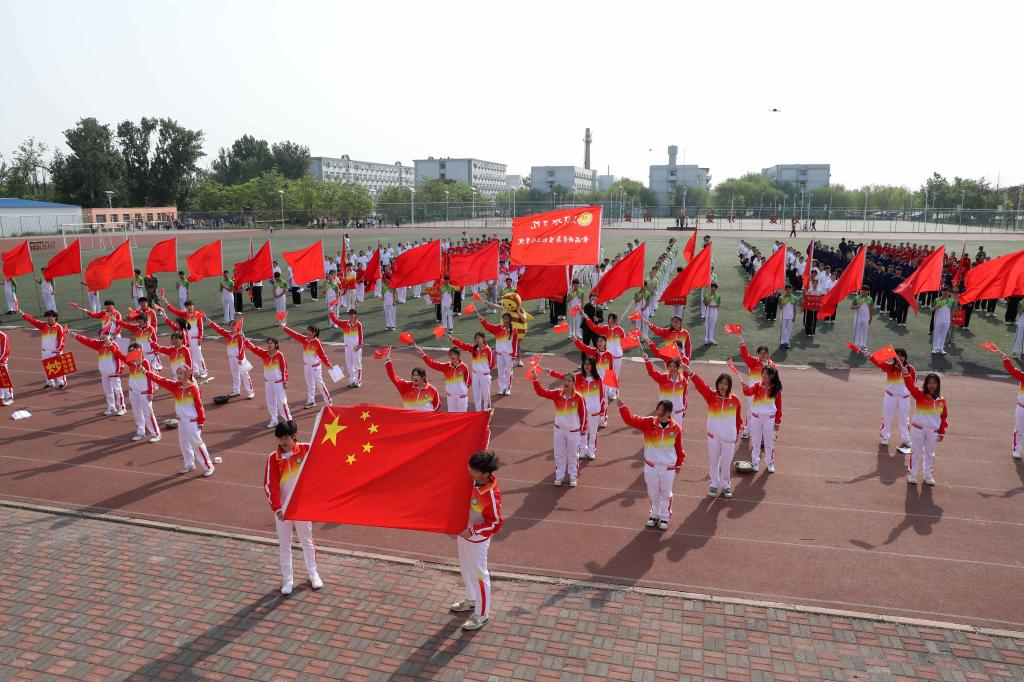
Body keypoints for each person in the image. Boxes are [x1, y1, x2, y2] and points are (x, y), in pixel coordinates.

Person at [264, 420, 323, 595]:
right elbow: (270, 485)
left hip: (301, 507)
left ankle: (313, 573)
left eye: (287, 438)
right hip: (283, 511)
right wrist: (277, 509)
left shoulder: (306, 450)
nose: (283, 442)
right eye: (281, 438)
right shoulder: (273, 458)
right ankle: (288, 580)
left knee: (307, 542)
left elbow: (325, 452)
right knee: (285, 545)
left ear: (294, 436)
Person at [449, 450, 502, 631]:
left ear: (485, 473)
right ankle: (471, 599)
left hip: (477, 540)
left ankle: (482, 614)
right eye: (470, 467)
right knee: (465, 569)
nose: (469, 470)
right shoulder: (472, 481)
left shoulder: (490, 494)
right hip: (464, 535)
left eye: (473, 469)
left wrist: (473, 530)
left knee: (479, 575)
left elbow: (495, 523)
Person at [617, 397, 684, 530]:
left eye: (662, 410)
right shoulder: (648, 423)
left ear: (669, 412)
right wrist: (622, 406)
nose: (659, 412)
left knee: (666, 493)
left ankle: (665, 517)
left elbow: (679, 448)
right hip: (651, 466)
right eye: (658, 409)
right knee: (653, 492)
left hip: (668, 467)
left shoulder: (676, 428)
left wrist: (679, 463)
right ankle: (654, 513)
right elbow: (630, 420)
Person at [144, 365, 219, 476]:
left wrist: (201, 421)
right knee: (184, 444)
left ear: (187, 374)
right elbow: (160, 380)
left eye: (181, 373)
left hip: (192, 422)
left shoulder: (193, 388)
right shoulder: (176, 386)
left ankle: (208, 466)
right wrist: (146, 372)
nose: (178, 375)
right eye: (177, 373)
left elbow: (199, 406)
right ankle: (189, 464)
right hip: (181, 421)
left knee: (197, 445)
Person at [537, 357, 605, 460]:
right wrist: (549, 371)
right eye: (585, 364)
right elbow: (562, 376)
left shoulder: (598, 379)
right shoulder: (578, 377)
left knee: (593, 433)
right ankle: (582, 450)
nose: (586, 366)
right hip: (581, 410)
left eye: (589, 364)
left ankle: (591, 451)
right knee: (583, 432)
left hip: (594, 411)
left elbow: (602, 396)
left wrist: (602, 411)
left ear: (593, 366)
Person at [689, 371, 742, 498]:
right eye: (721, 383)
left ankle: (726, 485)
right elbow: (701, 386)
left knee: (726, 463)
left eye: (726, 383)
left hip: (729, 438)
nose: (723, 386)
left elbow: (738, 419)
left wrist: (736, 434)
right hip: (714, 436)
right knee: (714, 462)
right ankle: (714, 484)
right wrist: (691, 373)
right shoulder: (711, 396)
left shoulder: (735, 400)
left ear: (729, 385)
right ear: (717, 384)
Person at [531, 371, 587, 486]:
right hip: (559, 430)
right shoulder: (557, 394)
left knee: (572, 455)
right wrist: (535, 380)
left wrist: (583, 429)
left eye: (569, 381)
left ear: (573, 383)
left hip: (573, 431)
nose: (566, 382)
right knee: (559, 454)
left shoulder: (578, 397)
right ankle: (559, 476)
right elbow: (541, 392)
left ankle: (573, 476)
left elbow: (583, 414)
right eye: (565, 380)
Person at [900, 363, 948, 485]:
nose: (932, 385)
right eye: (929, 383)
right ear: (926, 384)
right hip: (918, 429)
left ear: (938, 385)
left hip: (932, 432)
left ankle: (928, 475)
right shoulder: (920, 395)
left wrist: (941, 432)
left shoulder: (941, 401)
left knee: (930, 454)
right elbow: (910, 386)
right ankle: (912, 474)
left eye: (934, 383)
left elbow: (943, 417)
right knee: (916, 452)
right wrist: (906, 374)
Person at [859, 346, 914, 448]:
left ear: (905, 357)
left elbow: (912, 384)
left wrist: (907, 374)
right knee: (887, 417)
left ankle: (906, 439)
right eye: (898, 356)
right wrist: (870, 356)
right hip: (890, 397)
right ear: (894, 357)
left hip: (904, 398)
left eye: (902, 356)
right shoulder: (890, 367)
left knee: (904, 419)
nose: (900, 358)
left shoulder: (910, 369)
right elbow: (879, 363)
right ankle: (885, 437)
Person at [112, 342, 161, 442]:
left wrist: (150, 392)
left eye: (133, 351)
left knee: (148, 414)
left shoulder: (145, 363)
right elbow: (118, 354)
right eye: (129, 351)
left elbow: (150, 378)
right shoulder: (130, 361)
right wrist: (110, 344)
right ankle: (140, 432)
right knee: (137, 413)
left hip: (144, 393)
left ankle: (156, 434)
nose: (131, 353)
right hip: (133, 392)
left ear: (139, 351)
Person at [280, 323, 335, 409]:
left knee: (320, 384)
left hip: (315, 367)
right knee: (310, 384)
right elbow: (295, 334)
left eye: (310, 331)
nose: (308, 332)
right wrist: (284, 328)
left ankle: (328, 401)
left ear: (315, 333)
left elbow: (322, 355)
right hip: (307, 366)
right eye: (308, 330)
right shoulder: (304, 339)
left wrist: (329, 365)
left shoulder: (317, 342)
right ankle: (311, 401)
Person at [71, 331, 126, 416]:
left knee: (117, 390)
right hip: (104, 373)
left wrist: (118, 371)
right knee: (108, 391)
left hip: (113, 373)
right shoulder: (99, 344)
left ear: (110, 336)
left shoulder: (114, 345)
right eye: (101, 335)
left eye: (105, 335)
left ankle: (122, 408)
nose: (103, 337)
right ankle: (111, 407)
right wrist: (76, 336)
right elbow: (87, 341)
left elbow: (119, 358)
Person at [243, 336, 292, 429]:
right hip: (268, 383)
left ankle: (289, 421)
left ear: (276, 345)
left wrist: (285, 381)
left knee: (282, 402)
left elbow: (284, 369)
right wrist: (244, 339)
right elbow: (254, 348)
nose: (269, 345)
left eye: (271, 343)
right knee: (270, 402)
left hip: (278, 383)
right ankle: (274, 420)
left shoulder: (280, 355)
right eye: (268, 343)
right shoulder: (264, 354)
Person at [741, 365, 783, 472]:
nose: (764, 375)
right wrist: (745, 387)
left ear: (772, 375)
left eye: (767, 373)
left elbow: (779, 406)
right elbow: (748, 392)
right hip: (756, 418)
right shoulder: (757, 385)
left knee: (769, 443)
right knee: (756, 442)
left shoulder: (776, 389)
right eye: (763, 373)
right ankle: (755, 462)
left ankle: (769, 463)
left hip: (769, 419)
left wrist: (777, 422)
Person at [208, 319, 256, 400]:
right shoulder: (228, 334)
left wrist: (240, 359)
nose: (231, 327)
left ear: (237, 326)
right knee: (235, 375)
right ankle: (236, 390)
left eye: (233, 325)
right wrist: (211, 323)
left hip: (241, 359)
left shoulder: (240, 335)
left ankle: (251, 392)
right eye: (230, 326)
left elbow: (241, 348)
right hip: (232, 359)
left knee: (245, 375)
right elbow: (219, 329)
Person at [20, 308, 67, 389]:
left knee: (58, 368)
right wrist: (23, 314)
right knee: (47, 368)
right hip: (45, 351)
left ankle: (61, 383)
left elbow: (61, 340)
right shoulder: (43, 325)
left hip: (55, 351)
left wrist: (59, 350)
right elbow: (32, 321)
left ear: (55, 317)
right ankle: (50, 383)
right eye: (47, 316)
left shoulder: (59, 327)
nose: (48, 318)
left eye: (50, 316)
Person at [738, 339, 775, 439]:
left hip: (766, 392)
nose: (763, 355)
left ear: (768, 354)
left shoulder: (772, 365)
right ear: (758, 354)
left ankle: (766, 432)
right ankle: (747, 430)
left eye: (765, 353)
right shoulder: (754, 362)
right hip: (753, 391)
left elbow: (774, 379)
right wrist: (742, 346)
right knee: (751, 411)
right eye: (761, 353)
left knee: (766, 412)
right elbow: (746, 356)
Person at [417, 345, 471, 413]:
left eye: (454, 354)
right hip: (450, 397)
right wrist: (423, 354)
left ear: (458, 355)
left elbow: (468, 381)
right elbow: (432, 364)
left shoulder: (464, 367)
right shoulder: (446, 366)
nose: (452, 356)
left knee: (461, 416)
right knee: (451, 416)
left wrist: (462, 389)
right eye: (450, 354)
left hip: (462, 397)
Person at [449, 332, 494, 412]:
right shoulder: (473, 349)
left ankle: (487, 410)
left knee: (486, 394)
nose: (477, 340)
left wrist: (484, 370)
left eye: (479, 338)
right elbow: (463, 345)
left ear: (483, 338)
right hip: (475, 375)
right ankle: (478, 411)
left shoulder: (488, 350)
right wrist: (453, 339)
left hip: (485, 376)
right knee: (476, 395)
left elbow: (492, 363)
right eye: (476, 338)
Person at [477, 310, 518, 396]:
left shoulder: (514, 330)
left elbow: (515, 344)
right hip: (499, 354)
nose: (505, 320)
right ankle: (501, 388)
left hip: (509, 355)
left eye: (507, 318)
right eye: (504, 318)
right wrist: (482, 320)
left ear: (510, 319)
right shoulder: (498, 328)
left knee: (509, 372)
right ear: (502, 319)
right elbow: (488, 327)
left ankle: (508, 388)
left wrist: (514, 356)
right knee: (500, 372)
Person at [582, 311, 626, 391]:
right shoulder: (605, 328)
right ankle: (608, 391)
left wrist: (619, 351)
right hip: (607, 357)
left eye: (612, 319)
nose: (611, 320)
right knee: (607, 374)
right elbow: (594, 327)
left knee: (616, 375)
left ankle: (614, 392)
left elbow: (623, 343)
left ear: (616, 320)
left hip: (617, 357)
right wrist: (587, 319)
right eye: (609, 318)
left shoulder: (621, 331)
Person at [641, 350, 688, 424]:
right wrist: (647, 360)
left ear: (678, 368)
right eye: (670, 366)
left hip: (678, 413)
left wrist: (684, 409)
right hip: (665, 413)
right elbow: (652, 372)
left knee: (677, 430)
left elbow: (684, 395)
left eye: (674, 367)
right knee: (663, 430)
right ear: (668, 368)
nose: (672, 368)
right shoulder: (663, 378)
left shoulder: (683, 380)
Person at [997, 351, 1024, 460]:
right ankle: (1017, 449)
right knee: (1020, 430)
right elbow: (1013, 371)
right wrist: (1006, 359)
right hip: (1022, 408)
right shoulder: (1023, 376)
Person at [328, 307, 363, 388]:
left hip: (356, 348)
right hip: (347, 348)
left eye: (352, 314)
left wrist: (359, 345)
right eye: (350, 314)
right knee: (349, 365)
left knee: (357, 365)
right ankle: (351, 381)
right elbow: (335, 321)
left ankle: (358, 381)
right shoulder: (345, 324)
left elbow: (361, 336)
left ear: (355, 315)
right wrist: (331, 313)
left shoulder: (358, 324)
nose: (351, 316)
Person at [931, 286, 955, 355]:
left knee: (943, 335)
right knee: (936, 334)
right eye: (944, 291)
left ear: (949, 293)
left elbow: (952, 310)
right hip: (938, 319)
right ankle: (934, 348)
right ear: (941, 292)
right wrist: (936, 307)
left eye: (947, 291)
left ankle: (941, 348)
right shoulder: (937, 300)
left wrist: (951, 318)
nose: (945, 293)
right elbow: (932, 309)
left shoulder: (951, 301)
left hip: (947, 320)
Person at [851, 285, 874, 352]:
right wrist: (856, 306)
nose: (863, 292)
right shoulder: (857, 298)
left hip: (866, 318)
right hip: (858, 317)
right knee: (856, 331)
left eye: (865, 291)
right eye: (862, 290)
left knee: (864, 331)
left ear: (868, 292)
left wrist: (871, 318)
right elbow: (852, 307)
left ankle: (863, 346)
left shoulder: (870, 299)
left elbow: (871, 309)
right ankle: (855, 345)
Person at [778, 284, 799, 348]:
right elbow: (780, 307)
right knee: (783, 329)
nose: (788, 290)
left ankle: (787, 342)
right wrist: (782, 304)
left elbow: (794, 308)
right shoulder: (781, 297)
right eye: (787, 289)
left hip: (790, 316)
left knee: (789, 329)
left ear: (791, 290)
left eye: (790, 289)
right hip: (783, 316)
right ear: (785, 290)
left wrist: (794, 316)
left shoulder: (794, 298)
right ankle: (782, 342)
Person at [0, 328, 12, 405]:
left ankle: (9, 397)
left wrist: (1, 361)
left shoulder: (3, 335)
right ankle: (1, 397)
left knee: (4, 379)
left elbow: (5, 350)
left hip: (1, 362)